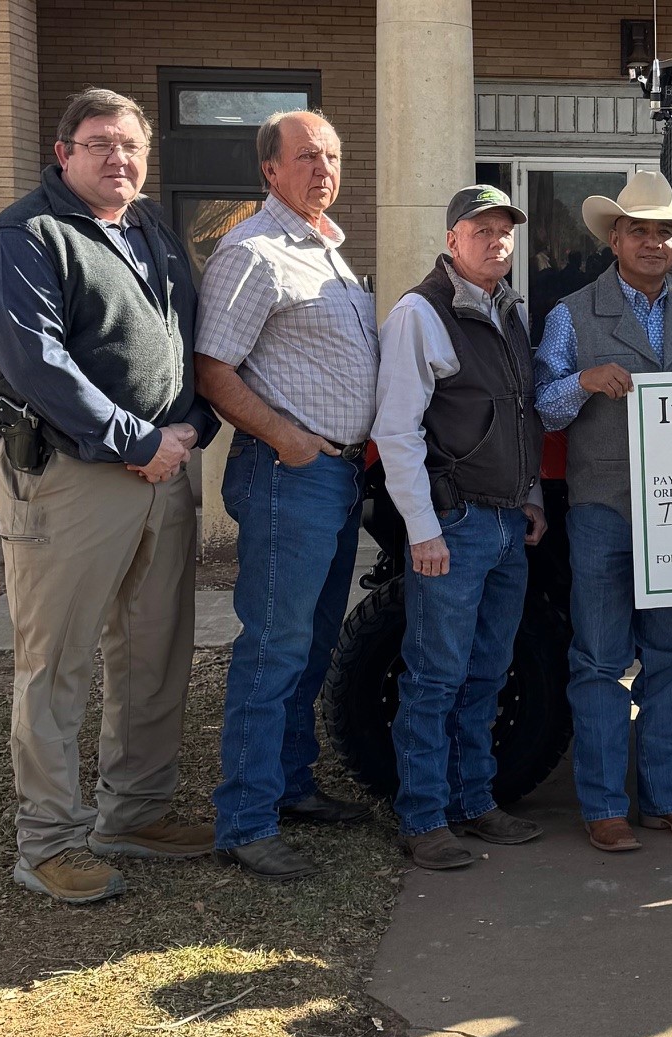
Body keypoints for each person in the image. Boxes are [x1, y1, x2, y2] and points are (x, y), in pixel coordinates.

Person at [0, 88, 220, 904]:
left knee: (152, 652)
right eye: (100, 142)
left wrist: (186, 429)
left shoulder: (150, 230)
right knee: (58, 662)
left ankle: (136, 811)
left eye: (131, 145)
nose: (119, 157)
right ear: (63, 150)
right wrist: (139, 441)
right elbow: (40, 365)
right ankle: (45, 842)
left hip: (162, 473)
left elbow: (185, 339)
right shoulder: (25, 236)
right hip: (73, 477)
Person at [195, 110, 380, 880]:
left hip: (336, 475)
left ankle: (293, 786)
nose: (323, 168)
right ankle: (245, 817)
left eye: (332, 156)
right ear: (269, 169)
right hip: (289, 473)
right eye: (306, 156)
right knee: (273, 648)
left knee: (310, 645)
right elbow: (214, 369)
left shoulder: (327, 250)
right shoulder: (254, 252)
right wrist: (286, 437)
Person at [533, 171, 672, 853]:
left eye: (664, 231)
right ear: (613, 237)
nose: (653, 242)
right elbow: (543, 403)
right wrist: (581, 381)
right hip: (603, 507)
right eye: (639, 230)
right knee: (598, 661)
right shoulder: (570, 314)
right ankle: (602, 805)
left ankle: (669, 799)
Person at [370, 185, 548, 870]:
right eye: (481, 231)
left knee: (488, 672)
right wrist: (423, 529)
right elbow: (396, 430)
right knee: (435, 676)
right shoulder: (421, 313)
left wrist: (530, 496)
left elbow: (520, 414)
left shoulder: (509, 310)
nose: (496, 241)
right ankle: (423, 817)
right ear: (452, 240)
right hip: (456, 520)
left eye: (505, 231)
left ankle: (476, 801)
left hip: (506, 523)